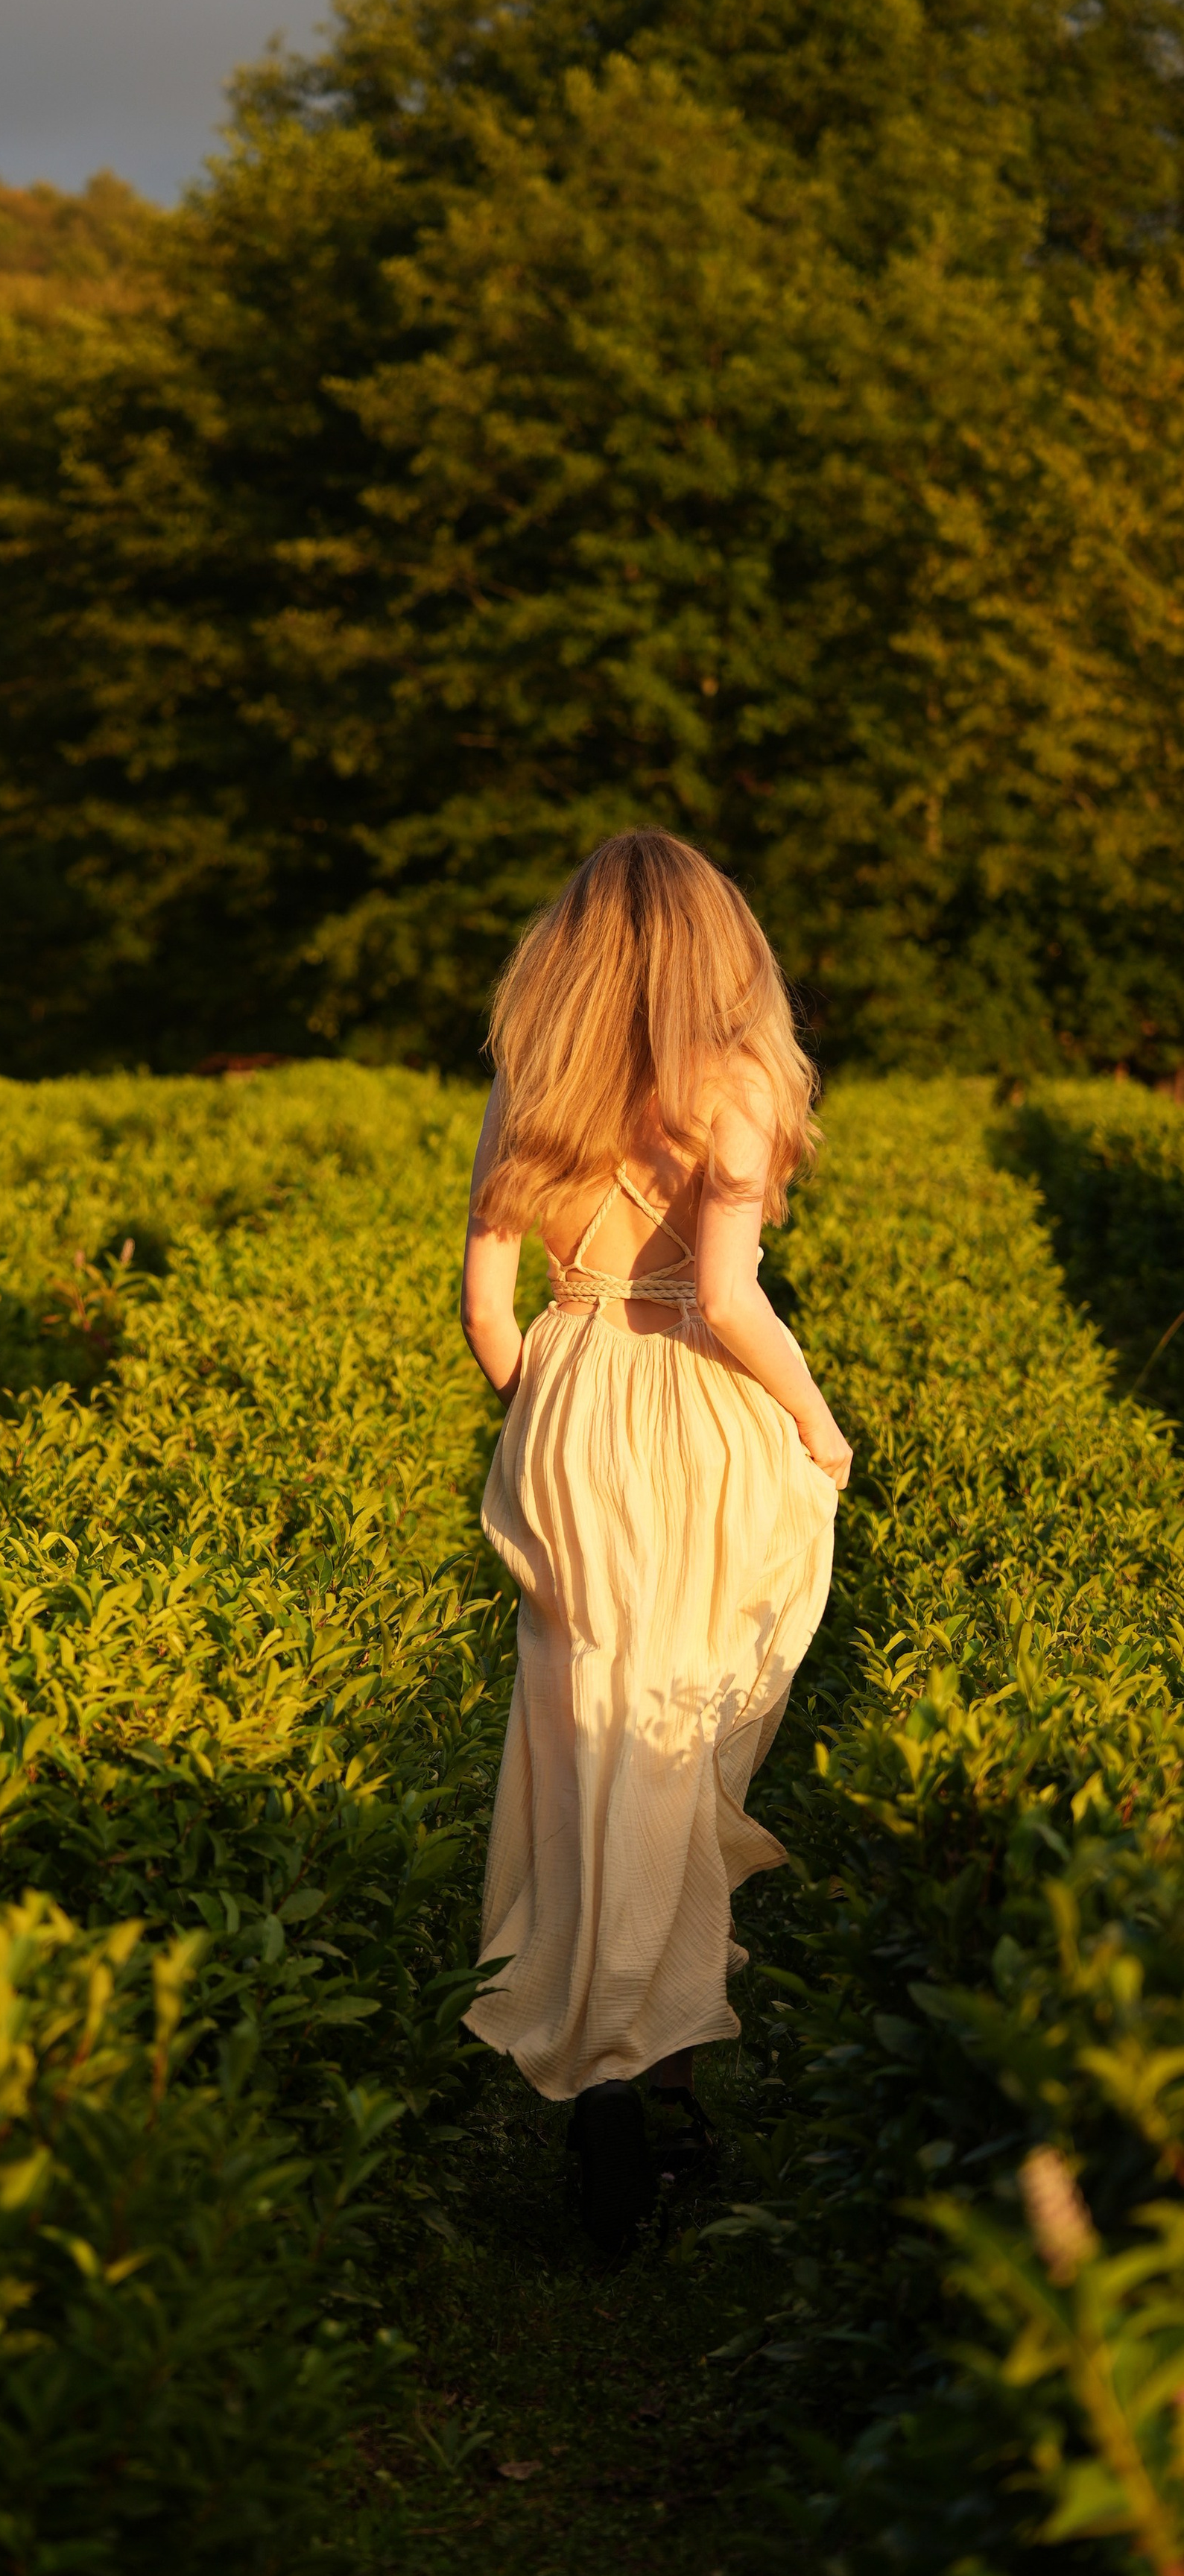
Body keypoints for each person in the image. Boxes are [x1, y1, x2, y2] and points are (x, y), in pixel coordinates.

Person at [458, 830, 851, 2250]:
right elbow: (734, 1299)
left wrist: (551, 1407)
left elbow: (487, 1309)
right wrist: (817, 1425)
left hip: (567, 1405)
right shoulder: (737, 1084)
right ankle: (653, 2075)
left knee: (584, 1734)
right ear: (719, 947)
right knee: (680, 1742)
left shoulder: (534, 1080)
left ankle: (610, 2077)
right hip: (699, 1411)